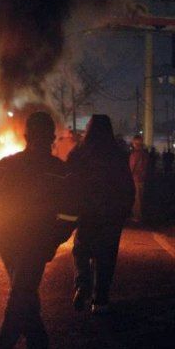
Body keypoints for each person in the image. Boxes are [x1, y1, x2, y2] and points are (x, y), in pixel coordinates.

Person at [0, 111, 77, 349]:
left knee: (24, 295)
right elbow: (70, 214)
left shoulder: (6, 166)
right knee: (22, 297)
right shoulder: (59, 171)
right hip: (35, 244)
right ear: (52, 138)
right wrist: (52, 241)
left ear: (26, 136)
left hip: (9, 243)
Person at [67, 115, 135, 314]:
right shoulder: (117, 154)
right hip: (111, 214)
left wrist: (71, 208)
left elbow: (68, 181)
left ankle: (82, 284)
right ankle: (100, 300)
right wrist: (125, 210)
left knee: (81, 249)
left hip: (86, 212)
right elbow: (127, 185)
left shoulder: (79, 152)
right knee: (106, 256)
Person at [129, 134, 149, 223]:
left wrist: (129, 177)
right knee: (140, 197)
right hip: (142, 178)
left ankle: (137, 216)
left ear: (135, 143)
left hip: (135, 178)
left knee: (136, 199)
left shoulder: (134, 155)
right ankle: (140, 215)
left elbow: (131, 167)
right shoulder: (144, 154)